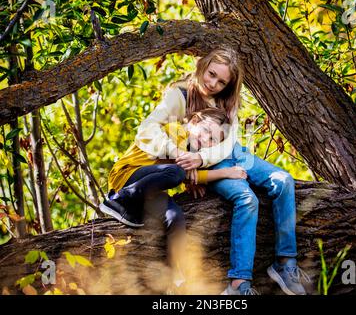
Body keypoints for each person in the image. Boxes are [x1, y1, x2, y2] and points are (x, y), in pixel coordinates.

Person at [134, 46, 309, 295]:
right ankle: (239, 283)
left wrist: (200, 157)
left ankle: (285, 263)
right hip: (214, 164)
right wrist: (180, 156)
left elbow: (228, 143)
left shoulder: (225, 101)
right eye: (211, 74)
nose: (213, 83)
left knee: (283, 180)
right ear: (203, 66)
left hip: (231, 153)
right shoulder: (180, 95)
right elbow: (146, 129)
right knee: (247, 199)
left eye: (221, 81)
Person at [100, 107, 247, 292]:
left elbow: (191, 176)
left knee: (175, 216)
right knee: (176, 172)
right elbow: (182, 173)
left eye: (212, 140)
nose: (206, 140)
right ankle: (118, 200)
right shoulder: (174, 131)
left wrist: (193, 174)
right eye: (206, 131)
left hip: (149, 190)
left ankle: (172, 279)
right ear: (193, 122)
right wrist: (225, 172)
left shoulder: (190, 152)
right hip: (127, 177)